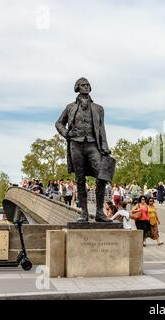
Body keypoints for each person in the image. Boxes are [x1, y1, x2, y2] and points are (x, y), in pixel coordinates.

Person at [55, 77, 113, 223]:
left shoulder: (98, 108)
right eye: (83, 85)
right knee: (80, 180)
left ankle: (99, 212)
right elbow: (58, 123)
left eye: (87, 85)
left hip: (93, 145)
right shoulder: (70, 107)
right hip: (76, 145)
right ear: (77, 88)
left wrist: (105, 146)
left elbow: (101, 129)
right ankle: (84, 213)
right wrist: (66, 134)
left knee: (102, 176)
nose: (86, 87)